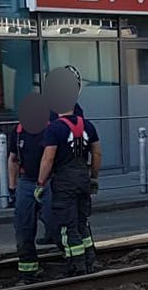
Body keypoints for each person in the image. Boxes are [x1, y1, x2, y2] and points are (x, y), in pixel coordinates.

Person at [35, 97, 100, 275]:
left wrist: (40, 183)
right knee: (82, 222)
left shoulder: (54, 129)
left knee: (67, 226)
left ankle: (76, 265)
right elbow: (97, 153)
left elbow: (48, 158)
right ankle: (90, 260)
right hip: (83, 179)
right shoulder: (88, 126)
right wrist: (93, 177)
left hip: (64, 181)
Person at [6, 96, 50, 283]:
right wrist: (12, 187)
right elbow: (13, 159)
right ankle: (29, 270)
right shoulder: (17, 132)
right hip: (26, 183)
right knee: (23, 228)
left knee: (57, 224)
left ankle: (76, 263)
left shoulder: (51, 130)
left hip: (49, 183)